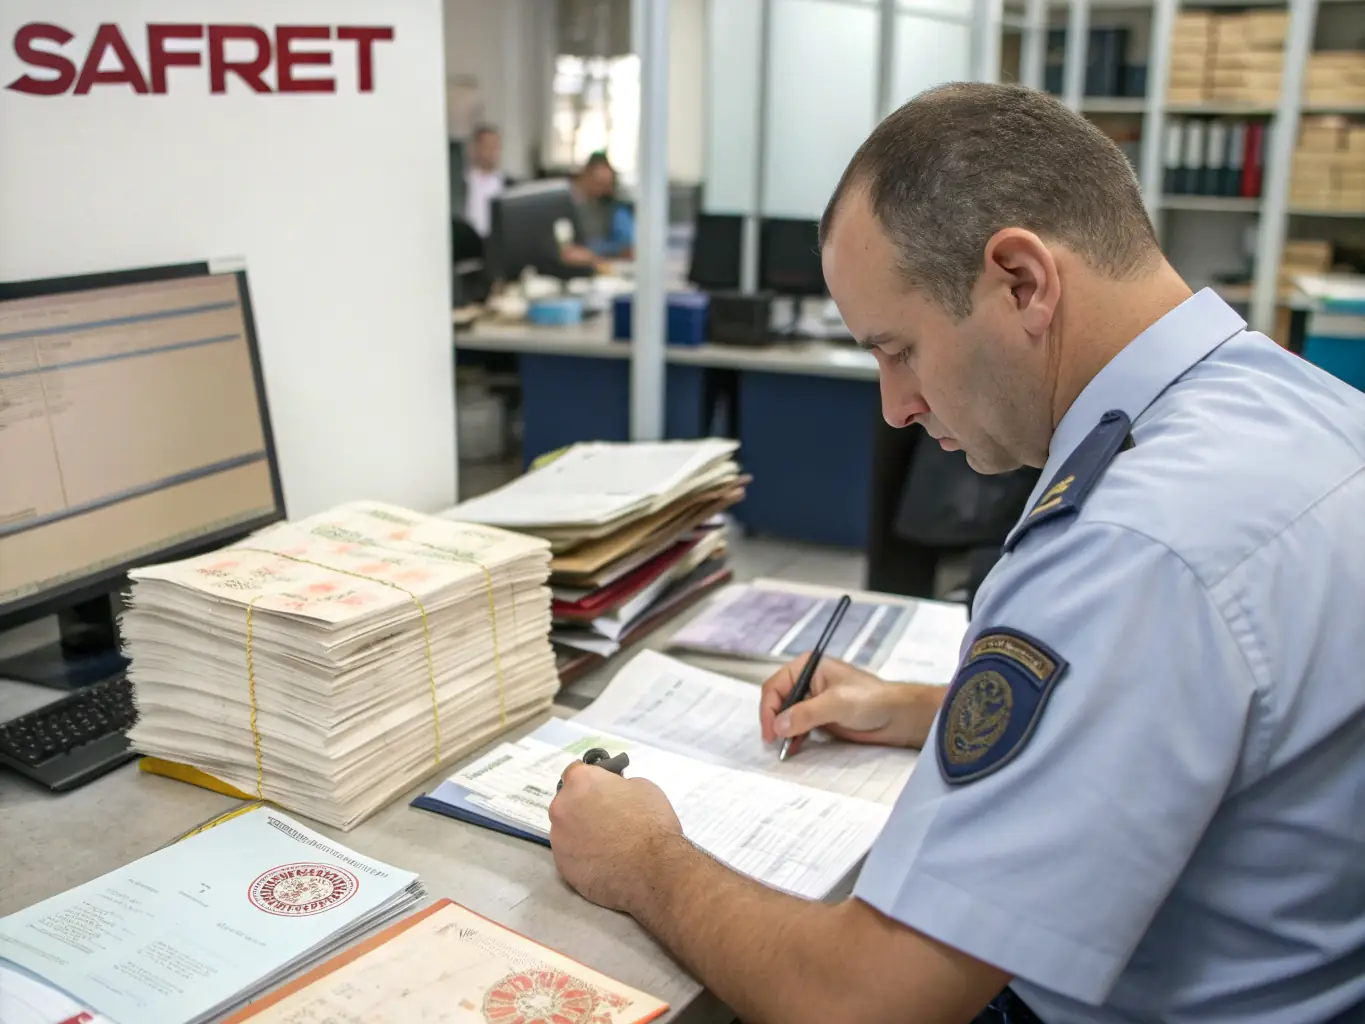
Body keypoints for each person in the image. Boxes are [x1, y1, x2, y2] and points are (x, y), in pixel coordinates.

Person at [547, 82, 1365, 1024]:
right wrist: (916, 709)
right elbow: (1229, 705)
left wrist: (644, 857)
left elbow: (867, 1005)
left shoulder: (1128, 544)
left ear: (1021, 281)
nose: (896, 406)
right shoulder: (1304, 408)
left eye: (897, 350)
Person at [563, 151, 635, 264]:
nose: (602, 190)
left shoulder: (613, 206)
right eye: (599, 183)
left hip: (604, 263)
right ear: (585, 176)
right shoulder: (566, 201)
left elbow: (628, 246)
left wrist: (591, 252)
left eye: (607, 185)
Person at [463, 124, 511, 237]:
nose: (491, 152)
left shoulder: (511, 185)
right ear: (474, 148)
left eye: (495, 146)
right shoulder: (460, 183)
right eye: (486, 146)